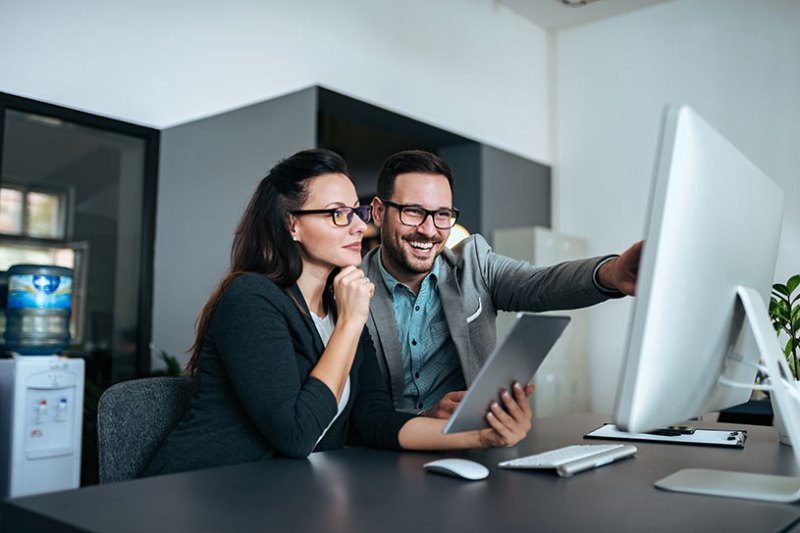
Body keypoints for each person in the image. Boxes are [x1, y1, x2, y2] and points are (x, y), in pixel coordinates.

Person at [143, 149, 533, 477]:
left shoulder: (339, 304)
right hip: (201, 491)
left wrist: (481, 436)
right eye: (336, 214)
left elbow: (372, 420)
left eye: (356, 212)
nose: (358, 226)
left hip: (282, 494)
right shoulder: (252, 299)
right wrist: (349, 323)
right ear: (291, 224)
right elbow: (296, 434)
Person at [361, 150, 641, 418]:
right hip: (378, 452)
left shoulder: (475, 265)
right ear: (378, 212)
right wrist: (423, 417)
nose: (429, 229)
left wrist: (611, 273)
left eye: (442, 214)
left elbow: (539, 284)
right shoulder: (346, 289)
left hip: (470, 445)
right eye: (412, 211)